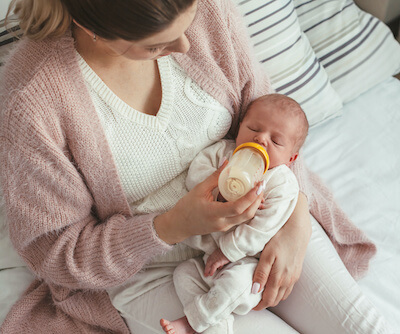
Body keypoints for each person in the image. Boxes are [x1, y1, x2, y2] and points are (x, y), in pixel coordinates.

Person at [0, 0, 391, 333]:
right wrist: (172, 226)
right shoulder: (33, 100)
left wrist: (296, 219)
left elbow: (277, 124)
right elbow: (57, 254)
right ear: (92, 27)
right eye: (158, 45)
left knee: (361, 325)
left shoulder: (204, 10)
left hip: (265, 220)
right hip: (148, 270)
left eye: (187, 24)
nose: (187, 44)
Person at [160, 93, 309, 334]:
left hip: (250, 262)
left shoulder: (281, 182)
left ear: (291, 158)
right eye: (254, 128)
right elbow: (195, 176)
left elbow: (263, 227)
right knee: (183, 273)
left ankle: (191, 322)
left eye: (276, 140)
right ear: (239, 128)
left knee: (235, 284)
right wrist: (217, 189)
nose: (261, 139)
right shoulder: (222, 153)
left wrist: (227, 252)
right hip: (207, 258)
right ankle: (216, 323)